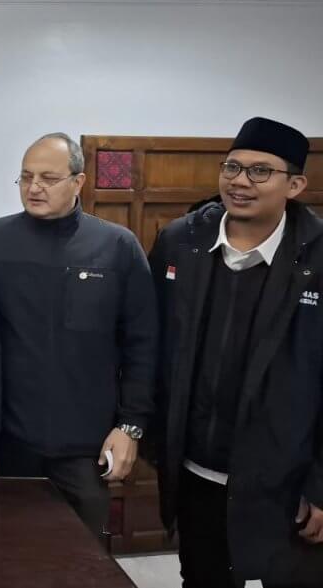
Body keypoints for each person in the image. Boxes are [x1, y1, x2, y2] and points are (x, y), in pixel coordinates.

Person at [150, 117, 323, 587]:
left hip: (286, 485)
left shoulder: (317, 258)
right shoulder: (181, 241)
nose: (240, 181)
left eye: (260, 171)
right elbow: (152, 345)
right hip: (197, 474)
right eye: (232, 167)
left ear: (295, 185)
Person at [0, 132, 157, 537]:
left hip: (86, 448)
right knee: (2, 555)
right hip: (7, 444)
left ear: (78, 182)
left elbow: (142, 345)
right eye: (26, 177)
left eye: (48, 178)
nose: (34, 187)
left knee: (82, 561)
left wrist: (131, 426)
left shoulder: (117, 246)